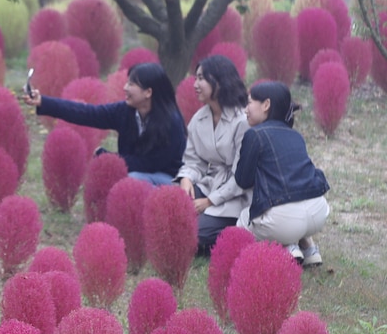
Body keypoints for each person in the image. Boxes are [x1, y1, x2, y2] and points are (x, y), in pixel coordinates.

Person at [21, 62, 186, 184]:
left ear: (148, 92)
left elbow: (150, 163)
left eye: (131, 84)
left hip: (168, 181)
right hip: (136, 175)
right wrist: (43, 102)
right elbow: (88, 113)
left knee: (131, 181)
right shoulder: (126, 111)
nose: (125, 88)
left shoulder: (171, 123)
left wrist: (108, 158)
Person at [234, 81, 331, 265]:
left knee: (244, 220)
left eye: (249, 102)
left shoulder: (254, 134)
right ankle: (309, 248)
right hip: (318, 212)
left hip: (284, 221)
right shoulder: (296, 135)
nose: (245, 109)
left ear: (266, 104)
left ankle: (287, 247)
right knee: (289, 213)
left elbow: (243, 180)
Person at [175, 54, 250, 255]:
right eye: (195, 78)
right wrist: (186, 179)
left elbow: (242, 176)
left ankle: (237, 232)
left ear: (220, 81)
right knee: (172, 205)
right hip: (210, 184)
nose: (195, 84)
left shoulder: (242, 120)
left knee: (193, 235)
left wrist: (209, 201)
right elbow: (193, 160)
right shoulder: (199, 119)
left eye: (202, 78)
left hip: (238, 194)